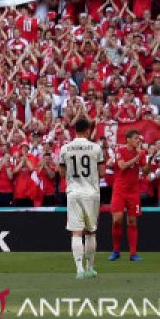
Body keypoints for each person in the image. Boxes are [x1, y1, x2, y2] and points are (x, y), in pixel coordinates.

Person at [59, 117, 104, 279]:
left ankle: (79, 270)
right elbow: (103, 173)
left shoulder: (65, 149)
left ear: (74, 130)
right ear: (87, 130)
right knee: (91, 232)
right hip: (91, 193)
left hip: (73, 192)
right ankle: (90, 268)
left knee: (76, 233)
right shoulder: (96, 148)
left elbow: (62, 173)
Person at [108, 129, 145, 262]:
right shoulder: (120, 151)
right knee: (117, 219)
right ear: (128, 139)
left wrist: (148, 159)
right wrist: (137, 158)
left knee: (132, 221)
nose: (138, 141)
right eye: (135, 138)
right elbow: (122, 166)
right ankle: (116, 250)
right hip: (120, 190)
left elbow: (145, 170)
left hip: (134, 191)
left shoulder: (141, 153)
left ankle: (133, 253)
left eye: (139, 139)